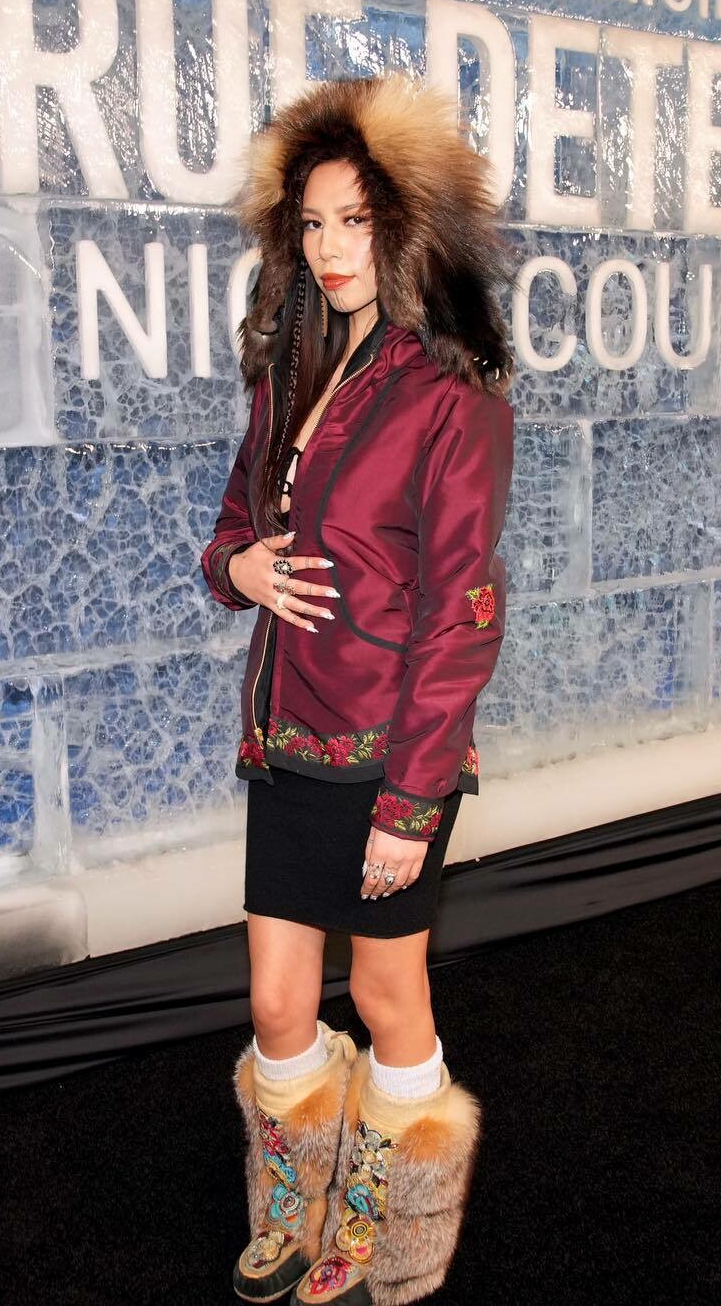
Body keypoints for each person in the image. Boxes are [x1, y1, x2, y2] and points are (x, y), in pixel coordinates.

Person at [200, 72, 518, 1305]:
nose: (333, 249)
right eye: (314, 224)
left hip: (394, 756)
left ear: (410, 229)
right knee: (279, 1003)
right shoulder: (289, 374)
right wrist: (239, 565)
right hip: (285, 742)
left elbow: (462, 616)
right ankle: (292, 1202)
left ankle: (393, 1222)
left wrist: (410, 803)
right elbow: (231, 527)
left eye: (359, 222)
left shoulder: (453, 398)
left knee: (387, 994)